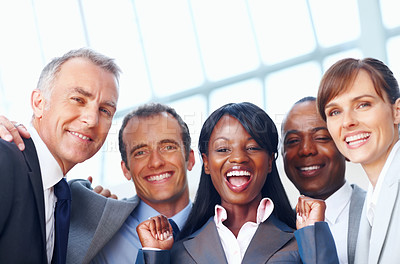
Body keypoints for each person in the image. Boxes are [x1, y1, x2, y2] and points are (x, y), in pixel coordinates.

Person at [136, 102, 339, 264]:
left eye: (252, 148)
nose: (238, 158)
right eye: (223, 149)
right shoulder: (178, 252)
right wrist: (154, 254)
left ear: (270, 161)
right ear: (206, 163)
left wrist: (313, 234)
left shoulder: (300, 241)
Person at [0, 48, 120, 264]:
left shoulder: (60, 196)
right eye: (78, 99)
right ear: (39, 103)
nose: (92, 120)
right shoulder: (5, 160)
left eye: (105, 111)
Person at [66, 103, 195, 264]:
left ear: (190, 159)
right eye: (140, 152)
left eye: (168, 147)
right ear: (125, 169)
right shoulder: (99, 230)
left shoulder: (220, 226)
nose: (156, 162)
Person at [317, 58, 400, 263]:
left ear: (396, 111)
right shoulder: (371, 202)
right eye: (335, 112)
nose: (347, 122)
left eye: (363, 104)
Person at [281, 96, 366, 264]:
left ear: (344, 145)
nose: (306, 150)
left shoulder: (378, 210)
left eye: (321, 137)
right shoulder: (277, 230)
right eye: (293, 141)